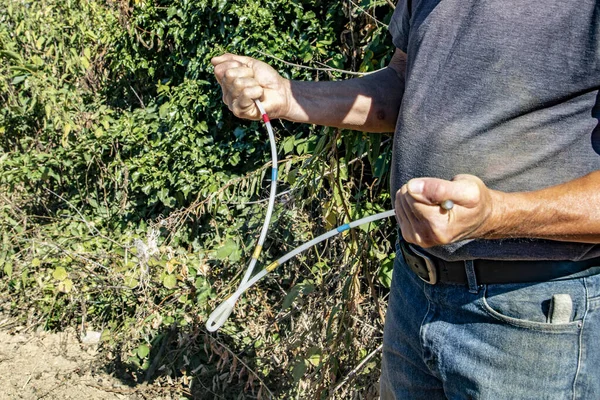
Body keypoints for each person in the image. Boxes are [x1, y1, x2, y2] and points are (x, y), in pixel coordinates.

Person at [212, 0, 600, 398]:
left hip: (533, 318)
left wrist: (497, 215)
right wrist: (291, 97)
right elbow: (405, 82)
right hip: (415, 292)